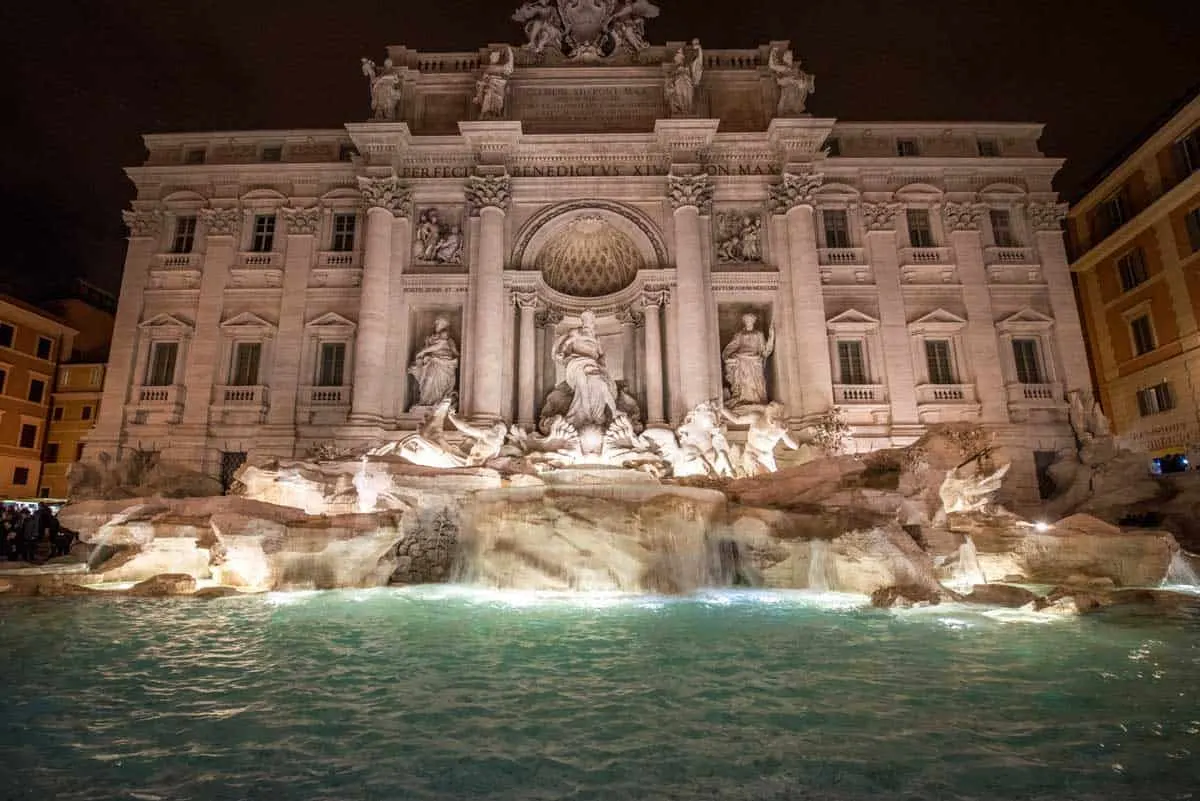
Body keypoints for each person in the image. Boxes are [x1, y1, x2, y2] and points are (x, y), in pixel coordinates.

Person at [552, 310, 620, 430]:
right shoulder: (576, 332)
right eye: (586, 319)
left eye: (591, 319)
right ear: (583, 321)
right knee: (582, 388)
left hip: (592, 365)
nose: (589, 322)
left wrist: (602, 365)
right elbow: (565, 344)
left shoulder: (596, 337)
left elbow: (601, 354)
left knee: (602, 386)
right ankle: (583, 416)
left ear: (593, 321)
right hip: (577, 363)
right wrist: (561, 353)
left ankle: (607, 414)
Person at [722, 313, 775, 407]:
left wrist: (771, 337)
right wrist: (727, 357)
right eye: (747, 320)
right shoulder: (739, 335)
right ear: (744, 322)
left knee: (756, 382)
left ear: (754, 321)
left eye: (750, 320)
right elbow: (731, 347)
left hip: (755, 361)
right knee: (744, 381)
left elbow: (764, 351)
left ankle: (757, 401)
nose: (749, 322)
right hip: (741, 359)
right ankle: (742, 400)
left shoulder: (759, 334)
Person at [408, 317, 460, 407]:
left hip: (443, 365)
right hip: (431, 363)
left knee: (438, 383)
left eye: (439, 323)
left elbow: (442, 347)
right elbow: (427, 348)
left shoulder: (447, 340)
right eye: (436, 324)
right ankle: (425, 401)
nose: (436, 325)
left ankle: (437, 402)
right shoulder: (430, 338)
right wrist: (424, 356)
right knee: (428, 380)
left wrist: (423, 352)